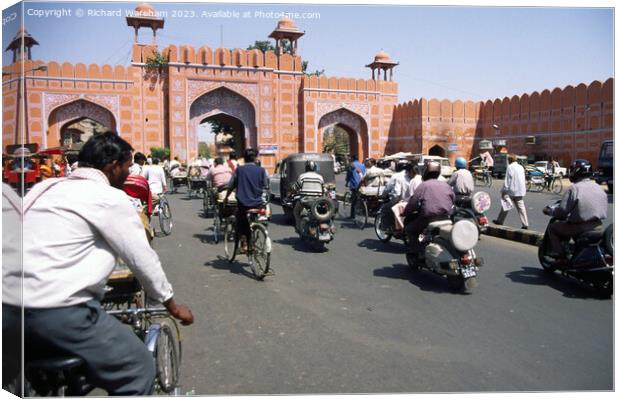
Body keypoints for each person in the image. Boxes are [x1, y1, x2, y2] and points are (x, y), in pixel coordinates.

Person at [3, 132, 194, 395]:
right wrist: (171, 305)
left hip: (8, 311)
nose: (128, 174)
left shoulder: (43, 189)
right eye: (126, 168)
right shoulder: (109, 197)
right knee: (138, 369)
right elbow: (142, 259)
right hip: (58, 312)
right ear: (113, 165)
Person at [543, 159, 607, 268]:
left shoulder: (574, 189)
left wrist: (550, 211)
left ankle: (561, 257)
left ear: (575, 172)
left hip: (580, 227)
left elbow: (562, 212)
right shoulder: (599, 188)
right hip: (598, 226)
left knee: (553, 228)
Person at [404, 160, 455, 260]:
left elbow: (413, 202)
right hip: (446, 218)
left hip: (428, 219)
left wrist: (406, 212)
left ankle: (416, 251)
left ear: (426, 172)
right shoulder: (446, 185)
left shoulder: (424, 185)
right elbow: (453, 199)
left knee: (410, 229)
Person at [224, 148, 269, 253]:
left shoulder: (239, 170)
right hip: (258, 203)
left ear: (244, 158)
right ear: (256, 158)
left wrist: (226, 197)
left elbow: (231, 185)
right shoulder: (262, 170)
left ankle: (244, 244)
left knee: (240, 221)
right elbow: (266, 187)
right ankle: (254, 236)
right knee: (255, 219)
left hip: (243, 204)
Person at [493, 153, 529, 229]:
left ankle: (500, 221)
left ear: (509, 160)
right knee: (521, 208)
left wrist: (504, 190)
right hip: (520, 191)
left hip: (511, 191)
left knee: (506, 205)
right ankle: (525, 224)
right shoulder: (521, 167)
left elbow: (508, 180)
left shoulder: (510, 167)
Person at [291, 160, 325, 233]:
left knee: (296, 212)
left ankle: (299, 227)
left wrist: (291, 192)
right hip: (317, 201)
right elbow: (323, 190)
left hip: (305, 201)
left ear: (306, 167)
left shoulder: (302, 176)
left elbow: (295, 188)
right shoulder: (320, 177)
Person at [388, 161, 417, 231]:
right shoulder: (419, 178)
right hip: (416, 202)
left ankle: (396, 228)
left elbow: (396, 193)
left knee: (388, 208)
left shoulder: (399, 177)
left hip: (405, 202)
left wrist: (393, 201)